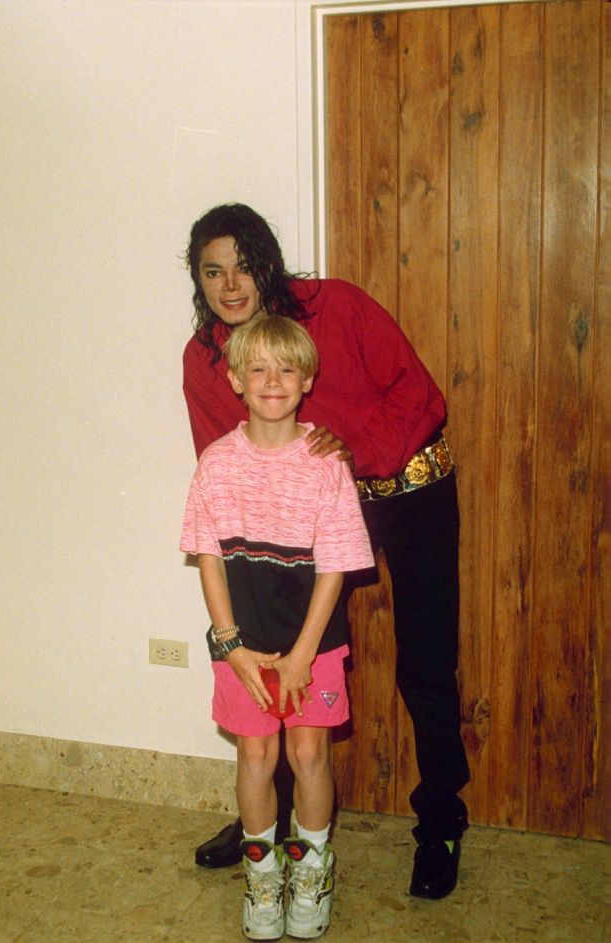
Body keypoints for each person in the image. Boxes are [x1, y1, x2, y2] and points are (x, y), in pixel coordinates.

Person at [182, 203, 470, 901]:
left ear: (268, 260)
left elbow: (419, 393)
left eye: (243, 263)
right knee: (279, 648)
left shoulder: (333, 304)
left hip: (406, 483)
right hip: (304, 511)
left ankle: (441, 819)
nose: (230, 283)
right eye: (212, 270)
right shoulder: (206, 359)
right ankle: (270, 819)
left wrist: (352, 453)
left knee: (424, 660)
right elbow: (227, 468)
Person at [181, 313, 374, 940]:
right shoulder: (216, 463)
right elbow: (208, 558)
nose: (272, 380)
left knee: (309, 751)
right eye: (257, 368)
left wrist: (300, 656)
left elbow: (336, 569)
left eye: (285, 368)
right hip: (244, 648)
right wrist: (232, 648)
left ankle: (312, 875)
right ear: (236, 379)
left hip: (311, 645)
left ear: (307, 378)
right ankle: (262, 883)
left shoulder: (326, 464)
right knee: (257, 753)